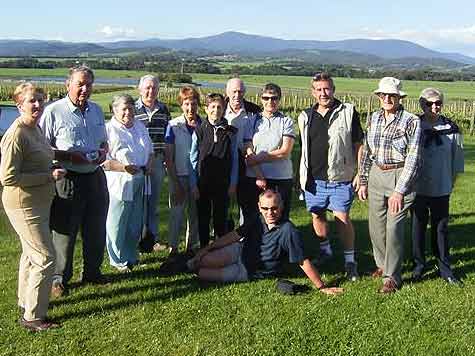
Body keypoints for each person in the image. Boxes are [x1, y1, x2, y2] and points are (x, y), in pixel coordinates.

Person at [187, 189, 343, 295]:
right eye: (265, 208)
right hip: (240, 251)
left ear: (281, 206)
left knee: (202, 274)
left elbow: (302, 261)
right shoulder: (257, 217)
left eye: (274, 208)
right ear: (259, 207)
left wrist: (322, 286)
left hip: (248, 271)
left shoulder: (288, 230)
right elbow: (235, 235)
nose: (270, 213)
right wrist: (207, 248)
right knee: (204, 259)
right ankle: (186, 264)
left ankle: (190, 266)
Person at [0, 83, 66, 331]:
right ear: (19, 105)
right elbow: (7, 178)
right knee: (45, 257)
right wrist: (49, 177)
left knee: (31, 254)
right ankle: (33, 317)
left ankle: (25, 301)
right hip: (23, 203)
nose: (37, 105)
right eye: (32, 101)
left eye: (40, 100)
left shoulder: (34, 129)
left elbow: (39, 160)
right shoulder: (16, 134)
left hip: (39, 202)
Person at [40, 65, 109, 297]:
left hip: (95, 177)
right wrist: (68, 156)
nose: (85, 88)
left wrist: (103, 152)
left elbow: (103, 142)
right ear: (67, 84)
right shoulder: (54, 111)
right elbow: (42, 148)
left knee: (96, 228)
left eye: (88, 84)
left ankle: (92, 271)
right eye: (80, 83)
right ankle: (59, 278)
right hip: (68, 178)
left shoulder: (97, 110)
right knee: (64, 232)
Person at [297, 73, 363, 281]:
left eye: (327, 89)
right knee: (317, 215)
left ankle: (350, 261)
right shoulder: (305, 116)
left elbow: (358, 144)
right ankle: (325, 251)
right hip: (314, 180)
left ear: (333, 90)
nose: (323, 93)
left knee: (342, 218)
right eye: (319, 90)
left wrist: (360, 172)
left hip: (341, 178)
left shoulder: (348, 112)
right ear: (313, 92)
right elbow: (304, 150)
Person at [358, 77, 422, 293]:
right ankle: (382, 264)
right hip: (377, 173)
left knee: (393, 228)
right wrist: (364, 179)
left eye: (392, 95)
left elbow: (413, 158)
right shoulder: (373, 117)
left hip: (400, 175)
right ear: (378, 97)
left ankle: (392, 277)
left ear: (399, 97)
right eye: (383, 95)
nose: (387, 98)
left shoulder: (411, 121)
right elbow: (367, 151)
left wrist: (399, 191)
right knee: (376, 227)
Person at [411, 88, 464, 285]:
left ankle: (444, 268)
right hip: (417, 188)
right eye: (429, 103)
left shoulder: (452, 129)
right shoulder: (413, 126)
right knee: (417, 227)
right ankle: (418, 265)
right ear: (421, 105)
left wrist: (450, 184)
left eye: (438, 103)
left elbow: (457, 163)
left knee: (441, 228)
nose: (434, 107)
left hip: (442, 187)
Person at [102, 94, 154, 272]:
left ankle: (131, 256)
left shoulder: (140, 126)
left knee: (134, 221)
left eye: (130, 108)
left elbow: (151, 150)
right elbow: (105, 161)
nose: (127, 112)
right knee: (117, 222)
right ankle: (117, 260)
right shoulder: (109, 129)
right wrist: (124, 167)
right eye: (123, 109)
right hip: (120, 183)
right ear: (114, 110)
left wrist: (149, 163)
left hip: (140, 179)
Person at [190, 93, 238, 248]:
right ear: (206, 109)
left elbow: (235, 160)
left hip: (223, 183)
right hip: (202, 182)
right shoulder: (199, 130)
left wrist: (233, 183)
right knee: (203, 218)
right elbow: (193, 159)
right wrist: (193, 184)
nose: (215, 110)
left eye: (219, 107)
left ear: (224, 110)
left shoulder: (231, 132)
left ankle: (219, 249)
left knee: (220, 218)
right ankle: (203, 249)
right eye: (212, 107)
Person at [242, 83, 295, 222]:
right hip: (255, 178)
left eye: (274, 98)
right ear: (261, 99)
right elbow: (248, 149)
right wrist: (259, 176)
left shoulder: (287, 122)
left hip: (281, 178)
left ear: (279, 99)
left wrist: (258, 158)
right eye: (266, 98)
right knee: (253, 219)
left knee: (279, 219)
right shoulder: (252, 121)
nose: (270, 102)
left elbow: (284, 151)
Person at [134, 75, 171, 252]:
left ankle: (152, 238)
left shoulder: (164, 109)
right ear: (140, 89)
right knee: (136, 202)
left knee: (153, 201)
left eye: (154, 88)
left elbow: (166, 136)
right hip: (137, 161)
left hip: (156, 160)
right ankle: (135, 238)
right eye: (147, 88)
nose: (151, 91)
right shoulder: (132, 109)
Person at [164, 86, 201, 255]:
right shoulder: (173, 125)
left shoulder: (204, 125)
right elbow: (168, 157)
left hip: (197, 179)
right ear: (181, 105)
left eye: (193, 103)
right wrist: (175, 182)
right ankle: (173, 247)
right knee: (176, 214)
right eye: (186, 103)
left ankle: (191, 246)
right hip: (178, 176)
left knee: (195, 215)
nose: (190, 107)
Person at [224, 78, 261, 223]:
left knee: (245, 201)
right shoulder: (219, 109)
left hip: (247, 161)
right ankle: (221, 234)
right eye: (234, 91)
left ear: (244, 92)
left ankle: (244, 236)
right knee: (223, 201)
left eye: (240, 91)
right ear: (227, 92)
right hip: (224, 162)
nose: (237, 95)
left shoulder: (254, 111)